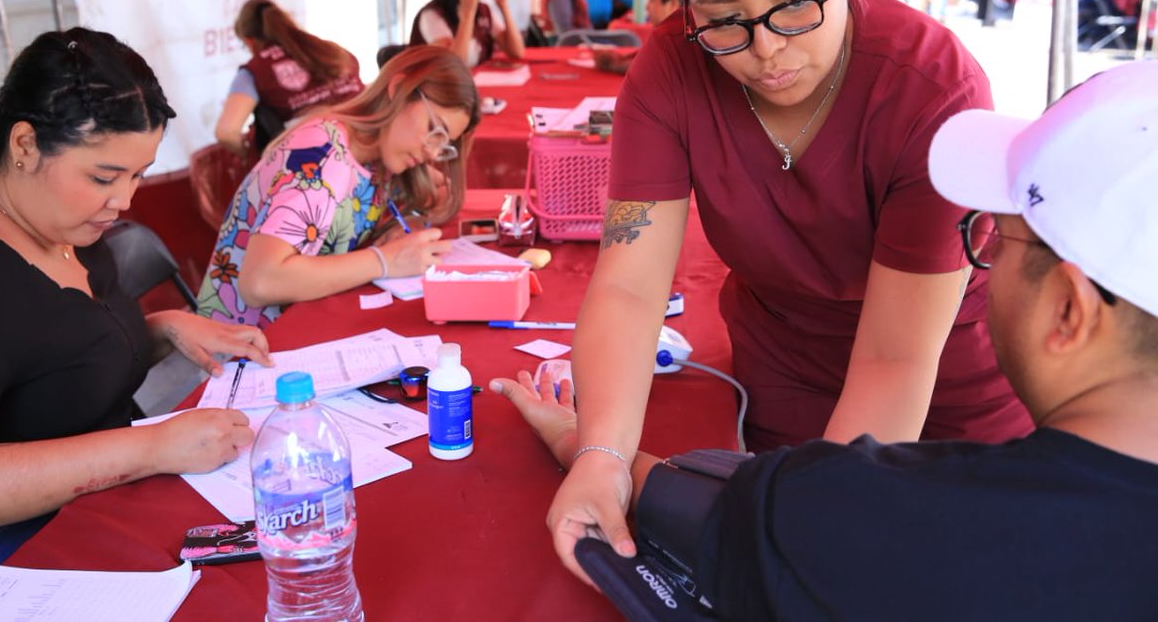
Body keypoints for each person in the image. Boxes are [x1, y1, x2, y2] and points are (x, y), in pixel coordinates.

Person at [494, 60, 1158, 617]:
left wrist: (583, 443)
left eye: (996, 241)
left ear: (1069, 311)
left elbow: (739, 517)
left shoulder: (902, 525)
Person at [541, 0, 1033, 581]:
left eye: (796, 2)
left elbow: (895, 357)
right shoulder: (671, 69)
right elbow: (630, 286)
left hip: (942, 386)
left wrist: (817, 520)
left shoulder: (934, 92)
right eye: (723, 20)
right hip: (784, 369)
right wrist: (602, 455)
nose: (766, 50)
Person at [0, 28, 272, 595]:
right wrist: (148, 449)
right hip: (7, 560)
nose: (124, 200)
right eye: (104, 177)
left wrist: (161, 328)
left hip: (103, 512)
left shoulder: (59, 218)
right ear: (25, 146)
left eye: (138, 175)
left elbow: (49, 361)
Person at [196, 46, 480, 329]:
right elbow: (259, 282)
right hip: (244, 349)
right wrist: (384, 260)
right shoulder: (321, 156)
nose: (433, 152)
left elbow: (441, 194)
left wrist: (411, 222)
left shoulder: (378, 154)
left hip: (301, 326)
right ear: (399, 87)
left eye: (443, 144)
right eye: (434, 128)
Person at [215, 0, 364, 157]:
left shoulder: (255, 71)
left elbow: (226, 133)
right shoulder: (332, 50)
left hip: (320, 160)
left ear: (250, 42)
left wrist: (250, 154)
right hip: (368, 144)